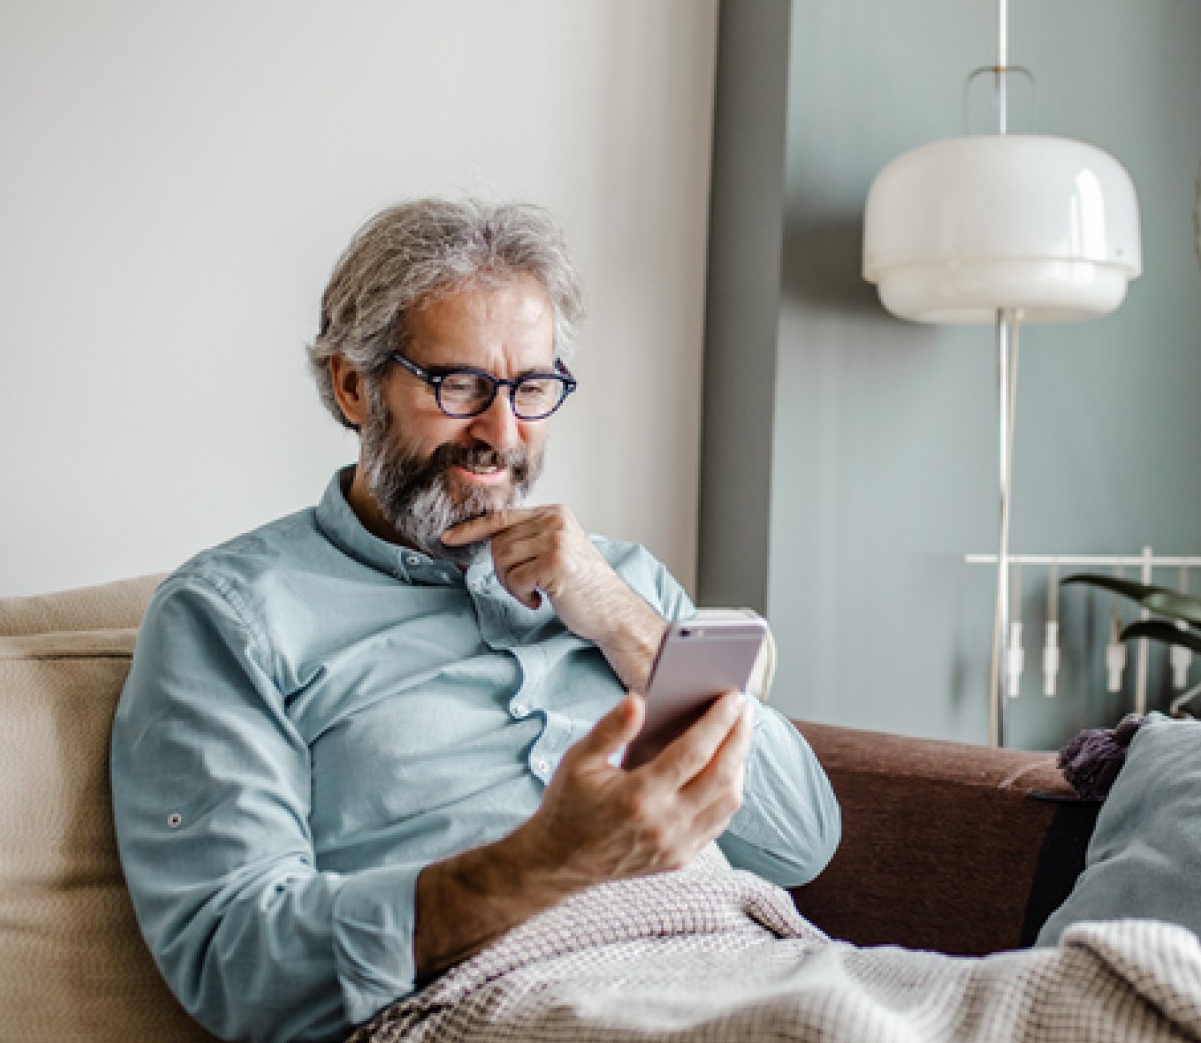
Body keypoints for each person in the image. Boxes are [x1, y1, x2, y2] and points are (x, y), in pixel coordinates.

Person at [111, 199, 842, 1043]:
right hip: (487, 1001)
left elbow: (801, 844)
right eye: (459, 386)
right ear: (355, 386)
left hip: (744, 960)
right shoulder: (231, 616)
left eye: (532, 389)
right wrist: (545, 863)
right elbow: (239, 964)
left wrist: (621, 622)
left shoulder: (621, 581)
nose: (502, 433)